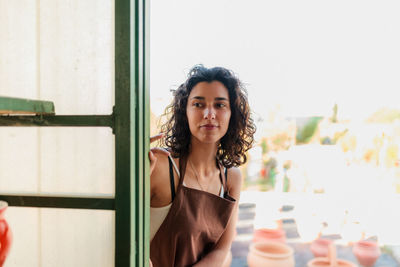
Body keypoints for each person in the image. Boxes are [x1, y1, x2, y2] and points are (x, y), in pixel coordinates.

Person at [149, 65, 256, 267]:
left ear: (232, 114)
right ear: (185, 112)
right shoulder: (162, 166)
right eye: (198, 104)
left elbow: (222, 249)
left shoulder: (231, 177)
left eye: (220, 105)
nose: (209, 113)